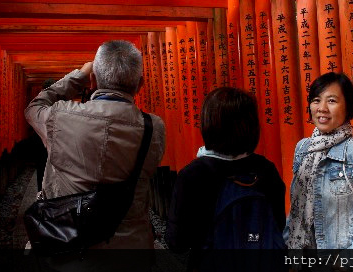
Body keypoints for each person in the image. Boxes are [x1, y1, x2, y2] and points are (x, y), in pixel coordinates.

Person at [24, 40, 165, 250]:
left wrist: (77, 77)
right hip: (131, 248)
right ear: (140, 84)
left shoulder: (61, 117)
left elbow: (34, 107)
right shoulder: (155, 127)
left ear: (92, 80)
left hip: (67, 241)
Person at [166, 87, 286, 269]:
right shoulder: (266, 169)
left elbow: (177, 242)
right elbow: (278, 224)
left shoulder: (192, 175)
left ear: (208, 123)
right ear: (252, 125)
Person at [284, 72, 353, 251]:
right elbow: (297, 209)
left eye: (331, 101)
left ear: (348, 107)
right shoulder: (303, 148)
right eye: (316, 100)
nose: (322, 108)